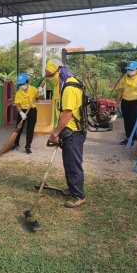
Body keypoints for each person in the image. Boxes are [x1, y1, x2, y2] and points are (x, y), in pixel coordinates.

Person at [47, 61, 87, 208]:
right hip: (68, 130)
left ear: (58, 72)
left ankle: (79, 195)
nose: (49, 79)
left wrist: (55, 133)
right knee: (68, 162)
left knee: (74, 163)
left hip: (73, 131)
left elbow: (67, 113)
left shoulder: (69, 87)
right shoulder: (63, 83)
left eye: (50, 76)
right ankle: (72, 188)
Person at [116, 61, 137, 145]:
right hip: (125, 101)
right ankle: (128, 138)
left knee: (132, 120)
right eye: (128, 69)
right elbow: (120, 91)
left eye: (132, 69)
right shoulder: (124, 78)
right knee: (126, 120)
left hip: (136, 102)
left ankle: (132, 137)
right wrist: (117, 103)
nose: (130, 71)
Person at [12, 73, 44, 153]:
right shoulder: (18, 93)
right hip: (22, 111)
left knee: (30, 129)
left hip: (32, 111)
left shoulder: (33, 89)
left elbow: (42, 98)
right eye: (20, 84)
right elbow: (17, 105)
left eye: (22, 84)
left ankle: (28, 146)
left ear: (27, 82)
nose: (21, 85)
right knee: (18, 128)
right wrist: (21, 113)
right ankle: (16, 144)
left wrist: (41, 92)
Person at [44, 59, 64, 126]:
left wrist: (57, 132)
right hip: (60, 121)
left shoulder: (65, 86)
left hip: (68, 129)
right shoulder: (56, 84)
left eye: (50, 76)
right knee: (48, 97)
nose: (49, 78)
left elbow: (68, 112)